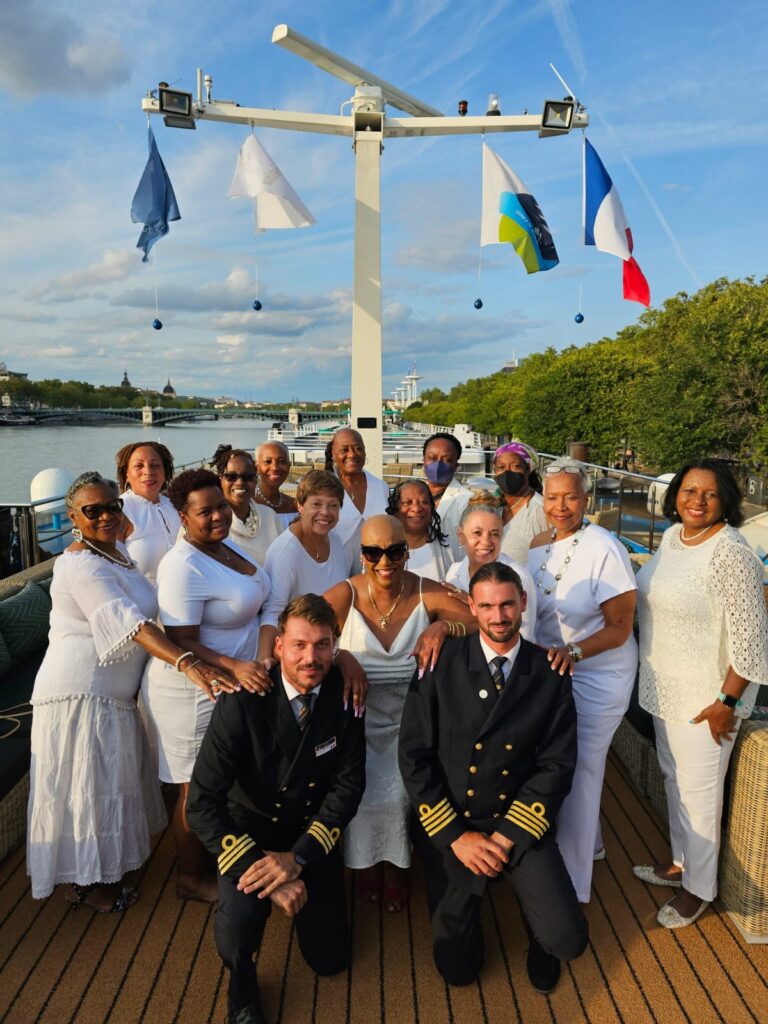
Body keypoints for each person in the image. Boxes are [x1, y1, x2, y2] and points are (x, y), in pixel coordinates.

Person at [27, 472, 223, 912]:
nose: (105, 516)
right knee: (87, 790)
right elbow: (128, 622)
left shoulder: (119, 556)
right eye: (92, 511)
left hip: (114, 694)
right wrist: (187, 662)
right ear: (73, 517)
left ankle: (100, 873)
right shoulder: (80, 563)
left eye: (112, 506)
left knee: (106, 787)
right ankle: (86, 886)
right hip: (81, 692)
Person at [398, 562, 587, 994]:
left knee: (567, 940)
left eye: (507, 604)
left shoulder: (549, 672)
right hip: (455, 822)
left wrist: (505, 838)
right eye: (486, 606)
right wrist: (456, 836)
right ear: (471, 607)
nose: (499, 616)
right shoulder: (439, 662)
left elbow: (556, 765)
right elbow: (413, 755)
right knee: (457, 970)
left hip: (516, 821)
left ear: (523, 603)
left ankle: (538, 937)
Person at [186, 595, 366, 1024]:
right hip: (251, 836)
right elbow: (202, 804)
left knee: (330, 959)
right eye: (300, 645)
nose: (311, 657)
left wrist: (298, 858)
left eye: (323, 645)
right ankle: (242, 982)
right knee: (237, 932)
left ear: (335, 647)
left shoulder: (344, 697)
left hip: (308, 837)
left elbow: (348, 786)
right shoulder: (242, 701)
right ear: (279, 646)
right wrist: (271, 874)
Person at [633, 459, 768, 928]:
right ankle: (680, 864)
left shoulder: (731, 553)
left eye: (709, 494)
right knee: (675, 781)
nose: (697, 500)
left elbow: (752, 640)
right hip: (664, 688)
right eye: (689, 490)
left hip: (705, 700)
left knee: (700, 795)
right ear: (676, 496)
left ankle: (699, 891)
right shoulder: (672, 539)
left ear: (725, 500)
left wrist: (726, 703)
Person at [324, 514, 476, 913]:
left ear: (407, 553)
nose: (384, 561)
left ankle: (397, 868)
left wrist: (443, 629)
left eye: (393, 551)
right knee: (364, 794)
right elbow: (301, 633)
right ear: (362, 555)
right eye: (374, 552)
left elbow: (481, 619)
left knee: (400, 797)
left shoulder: (427, 592)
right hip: (360, 725)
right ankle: (367, 866)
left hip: (413, 729)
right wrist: (341, 657)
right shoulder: (346, 594)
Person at [141, 469, 271, 902]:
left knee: (224, 776)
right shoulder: (182, 565)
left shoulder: (223, 547)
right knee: (194, 786)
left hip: (232, 682)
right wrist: (235, 664)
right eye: (205, 511)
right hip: (193, 690)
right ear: (182, 516)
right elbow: (181, 638)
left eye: (219, 506)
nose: (217, 515)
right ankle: (191, 876)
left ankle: (220, 855)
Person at [528, 456, 638, 904]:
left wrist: (571, 653)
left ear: (586, 500)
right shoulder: (538, 544)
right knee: (558, 761)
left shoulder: (605, 546)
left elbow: (620, 627)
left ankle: (571, 890)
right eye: (552, 497)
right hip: (555, 673)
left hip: (598, 673)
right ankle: (588, 845)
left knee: (580, 770)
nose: (561, 505)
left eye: (570, 496)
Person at [257, 470, 352, 664]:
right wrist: (263, 658)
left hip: (331, 649)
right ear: (300, 505)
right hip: (301, 654)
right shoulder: (286, 551)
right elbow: (273, 612)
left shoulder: (336, 541)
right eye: (316, 504)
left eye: (333, 505)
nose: (325, 512)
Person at [445, 497, 538, 641]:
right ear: (460, 536)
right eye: (477, 533)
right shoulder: (454, 573)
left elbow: (525, 637)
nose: (486, 542)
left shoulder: (519, 577)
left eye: (495, 534)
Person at [116, 441, 181, 585]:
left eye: (155, 465)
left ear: (165, 471)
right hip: (142, 603)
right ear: (126, 474)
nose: (148, 472)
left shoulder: (175, 506)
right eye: (139, 466)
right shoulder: (118, 511)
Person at [325, 428, 390, 565]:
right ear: (333, 453)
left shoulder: (380, 487)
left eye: (358, 448)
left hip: (376, 568)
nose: (352, 454)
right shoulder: (323, 488)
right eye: (344, 450)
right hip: (334, 565)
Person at [212, 444, 282, 567]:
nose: (239, 483)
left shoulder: (269, 516)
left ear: (256, 480)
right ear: (220, 480)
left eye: (247, 477)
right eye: (231, 477)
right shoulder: (210, 521)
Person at [386, 479, 453, 582]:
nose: (417, 508)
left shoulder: (449, 547)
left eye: (424, 502)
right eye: (407, 502)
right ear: (395, 510)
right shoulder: (382, 550)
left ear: (431, 508)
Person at [494, 442, 548, 566]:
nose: (507, 473)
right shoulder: (495, 509)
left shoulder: (541, 509)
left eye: (515, 466)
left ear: (528, 469)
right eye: (501, 467)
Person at [421, 432, 471, 559]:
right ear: (423, 461)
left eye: (447, 460)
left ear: (456, 466)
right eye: (432, 458)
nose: (438, 464)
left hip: (452, 573)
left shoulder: (467, 500)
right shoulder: (411, 496)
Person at [254, 441, 298, 530]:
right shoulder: (248, 505)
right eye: (268, 461)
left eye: (282, 461)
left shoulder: (296, 506)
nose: (275, 468)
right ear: (257, 467)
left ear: (289, 466)